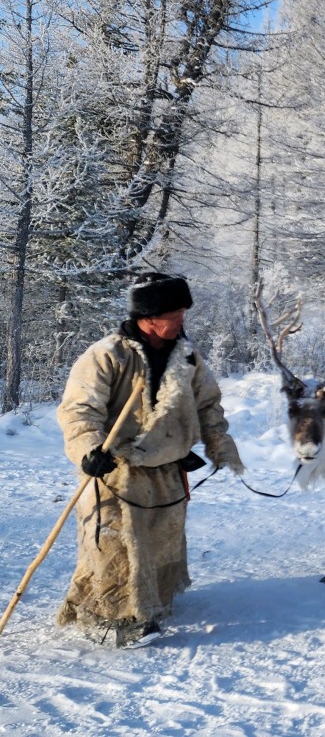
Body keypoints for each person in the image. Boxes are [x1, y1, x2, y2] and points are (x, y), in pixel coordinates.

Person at [55, 273, 243, 647]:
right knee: (113, 544)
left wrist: (218, 444)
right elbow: (78, 410)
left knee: (159, 543)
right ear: (150, 316)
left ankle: (150, 604)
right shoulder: (108, 354)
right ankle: (108, 617)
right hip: (115, 469)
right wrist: (89, 449)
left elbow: (207, 404)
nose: (182, 320)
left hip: (166, 469)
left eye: (183, 312)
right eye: (175, 313)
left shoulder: (186, 356)